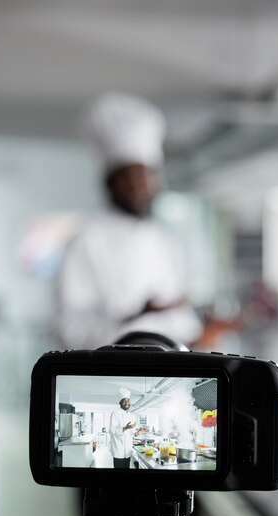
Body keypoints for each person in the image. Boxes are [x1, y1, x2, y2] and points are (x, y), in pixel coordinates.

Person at [55, 92, 203, 350]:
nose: (142, 188)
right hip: (107, 380)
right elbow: (68, 328)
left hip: (170, 380)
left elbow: (181, 322)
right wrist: (133, 318)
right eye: (132, 178)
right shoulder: (86, 239)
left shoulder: (161, 238)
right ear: (110, 182)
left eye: (147, 178)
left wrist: (198, 327)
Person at [109, 388, 136, 468]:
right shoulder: (115, 413)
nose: (127, 402)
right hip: (118, 451)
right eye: (124, 400)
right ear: (120, 402)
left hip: (128, 451)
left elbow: (132, 432)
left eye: (128, 400)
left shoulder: (131, 415)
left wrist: (137, 433)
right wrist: (125, 428)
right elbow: (111, 431)